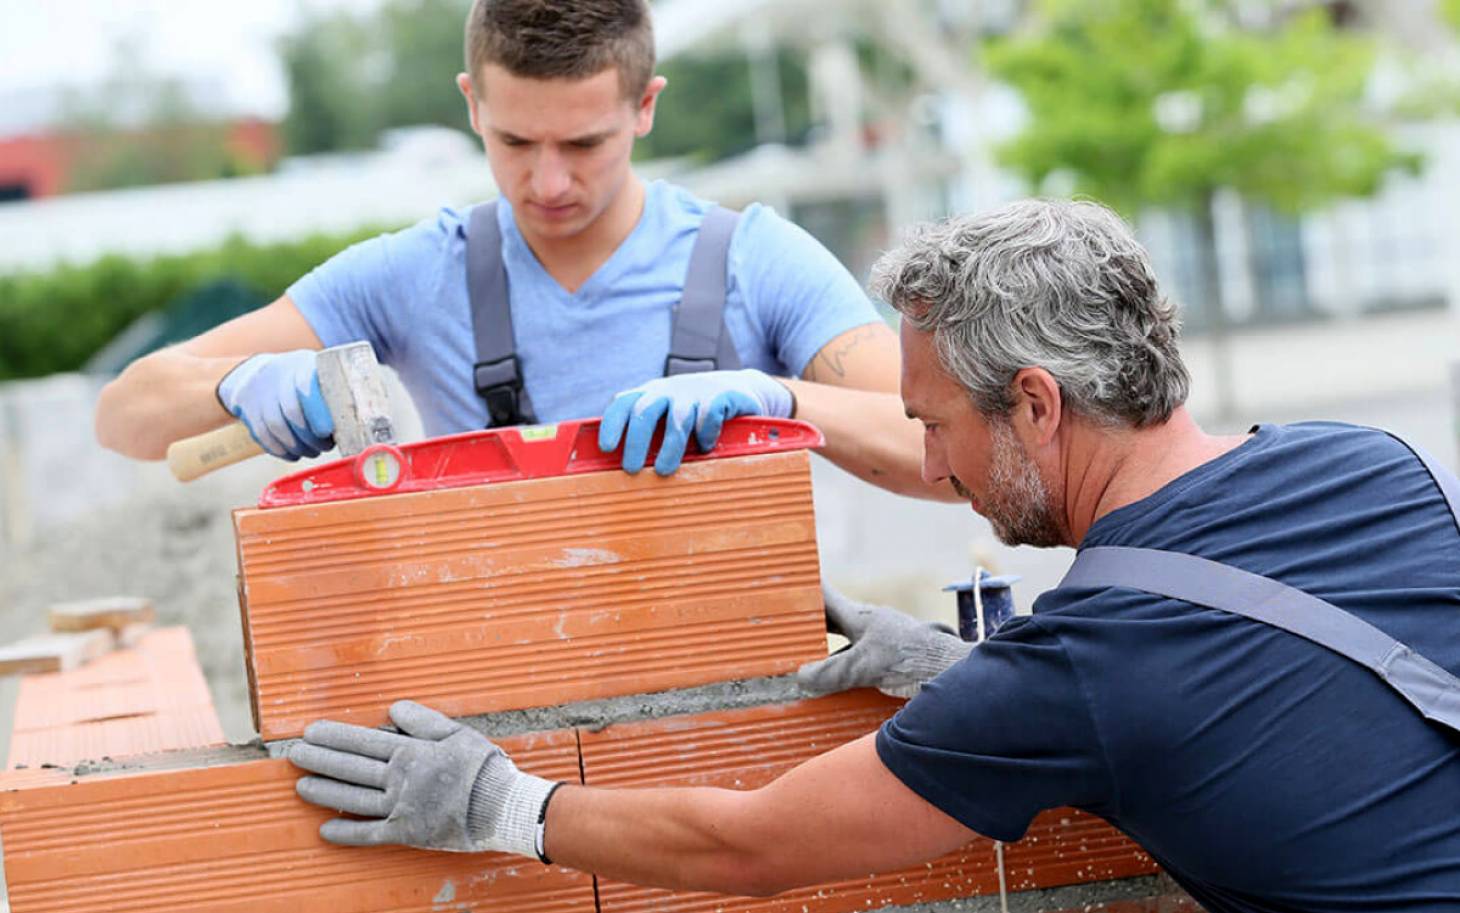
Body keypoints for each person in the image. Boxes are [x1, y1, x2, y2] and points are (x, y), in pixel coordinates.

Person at [288, 199, 1460, 912]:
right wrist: (968, 679)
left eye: (933, 421)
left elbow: (750, 844)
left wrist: (505, 802)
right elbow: (1264, 712)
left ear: (1037, 404)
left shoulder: (1083, 669)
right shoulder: (1365, 464)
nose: (931, 466)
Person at [93, 0, 941, 498]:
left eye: (583, 145)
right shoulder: (413, 275)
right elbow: (125, 414)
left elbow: (947, 457)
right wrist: (235, 381)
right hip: (505, 708)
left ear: (645, 105)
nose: (546, 183)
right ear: (471, 103)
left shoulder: (759, 262)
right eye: (513, 141)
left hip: (732, 691)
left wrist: (780, 400)